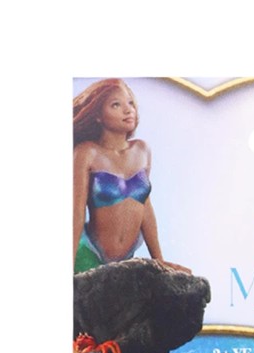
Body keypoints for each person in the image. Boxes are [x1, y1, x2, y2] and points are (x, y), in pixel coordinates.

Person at [73, 79, 187, 272]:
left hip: (125, 259)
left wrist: (159, 260)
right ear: (98, 116)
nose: (128, 110)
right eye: (116, 105)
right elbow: (76, 212)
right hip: (88, 253)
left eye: (131, 103)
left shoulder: (142, 150)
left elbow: (144, 204)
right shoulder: (86, 153)